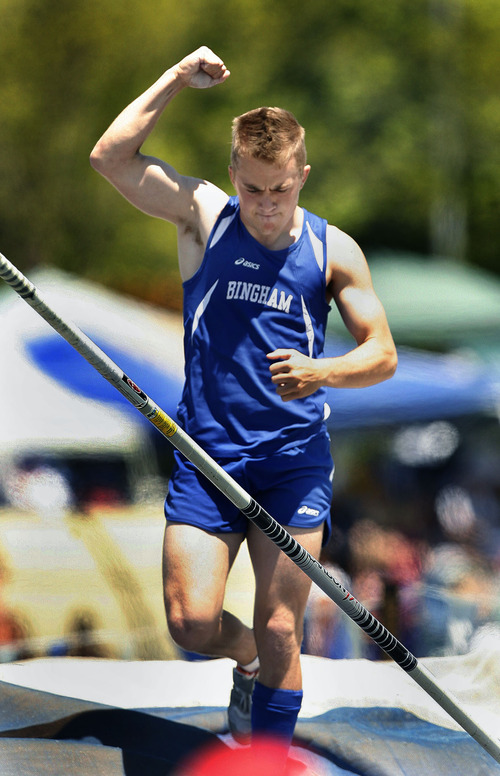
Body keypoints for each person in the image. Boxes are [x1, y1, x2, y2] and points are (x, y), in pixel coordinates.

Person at [90, 46, 397, 751]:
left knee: (283, 623)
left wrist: (323, 372)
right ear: (235, 174)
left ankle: (266, 760)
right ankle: (249, 664)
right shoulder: (205, 215)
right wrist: (172, 79)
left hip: (291, 462)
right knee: (190, 621)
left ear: (302, 177)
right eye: (254, 189)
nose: (265, 207)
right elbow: (109, 158)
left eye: (280, 191)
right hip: (208, 455)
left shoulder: (332, 250)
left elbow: (383, 354)